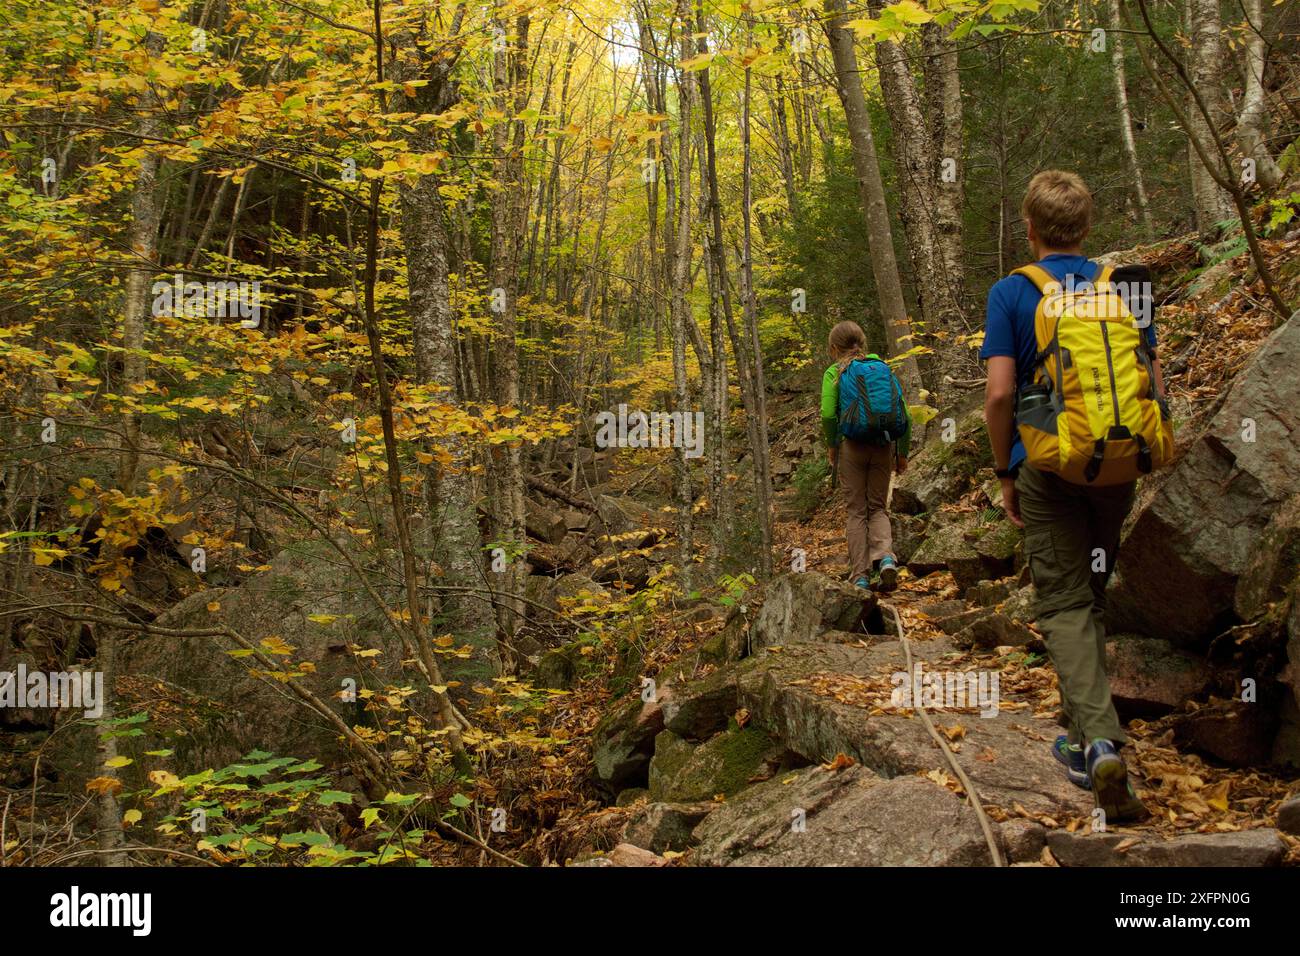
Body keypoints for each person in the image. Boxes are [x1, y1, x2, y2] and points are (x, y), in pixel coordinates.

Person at [981, 170, 1165, 822]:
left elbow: (1001, 395)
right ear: (1087, 229)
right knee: (1091, 588)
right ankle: (1085, 717)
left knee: (1062, 604)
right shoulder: (1128, 286)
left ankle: (1099, 744)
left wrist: (1006, 469)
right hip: (1118, 460)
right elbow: (1149, 374)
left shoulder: (1012, 293)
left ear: (1029, 229)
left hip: (1050, 465)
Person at [820, 320, 911, 592]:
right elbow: (903, 413)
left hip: (852, 447)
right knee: (878, 507)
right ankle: (885, 559)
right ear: (862, 341)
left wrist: (832, 446)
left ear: (835, 348)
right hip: (883, 446)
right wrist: (902, 453)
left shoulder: (835, 372)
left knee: (856, 511)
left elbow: (827, 413)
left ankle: (860, 576)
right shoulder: (882, 368)